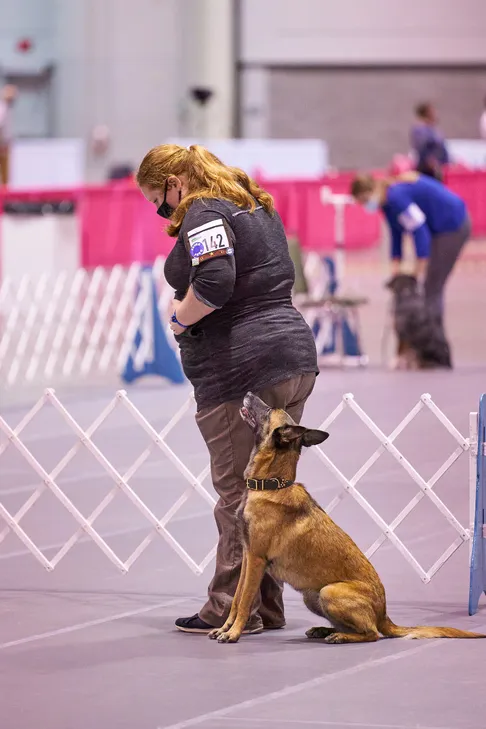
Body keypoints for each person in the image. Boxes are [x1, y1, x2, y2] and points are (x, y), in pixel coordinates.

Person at [136, 144, 318, 634]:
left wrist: (178, 320)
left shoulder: (204, 210)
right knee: (270, 490)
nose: (163, 210)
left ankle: (227, 608)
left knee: (238, 494)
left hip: (242, 370)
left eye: (160, 198)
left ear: (177, 180)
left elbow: (215, 282)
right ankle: (266, 608)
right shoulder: (251, 203)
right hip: (292, 359)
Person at [350, 171, 470, 344]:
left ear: (370, 192)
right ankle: (429, 342)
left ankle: (434, 347)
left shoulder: (396, 198)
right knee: (429, 287)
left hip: (452, 225)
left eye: (364, 201)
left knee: (431, 287)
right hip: (439, 229)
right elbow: (396, 234)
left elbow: (419, 230)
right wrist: (396, 267)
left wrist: (418, 269)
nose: (365, 206)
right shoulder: (387, 204)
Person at [409, 102, 449, 181]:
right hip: (427, 167)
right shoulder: (420, 129)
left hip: (437, 166)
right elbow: (421, 147)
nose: (435, 113)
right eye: (432, 111)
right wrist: (429, 160)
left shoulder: (433, 128)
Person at [0, 84, 17, 186]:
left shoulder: (6, 108)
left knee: (6, 175)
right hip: (2, 144)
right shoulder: (3, 108)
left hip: (5, 142)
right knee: (4, 173)